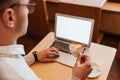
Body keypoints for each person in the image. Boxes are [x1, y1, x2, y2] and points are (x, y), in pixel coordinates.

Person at [0, 0, 92, 80]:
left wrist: (34, 57)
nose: (29, 12)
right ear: (10, 17)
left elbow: (15, 64)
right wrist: (78, 77)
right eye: (27, 5)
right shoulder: (17, 75)